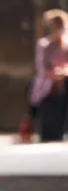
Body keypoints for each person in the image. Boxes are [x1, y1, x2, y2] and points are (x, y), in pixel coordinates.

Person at [28, 10, 68, 142]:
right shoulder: (44, 45)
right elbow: (41, 68)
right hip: (47, 84)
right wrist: (54, 73)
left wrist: (63, 71)